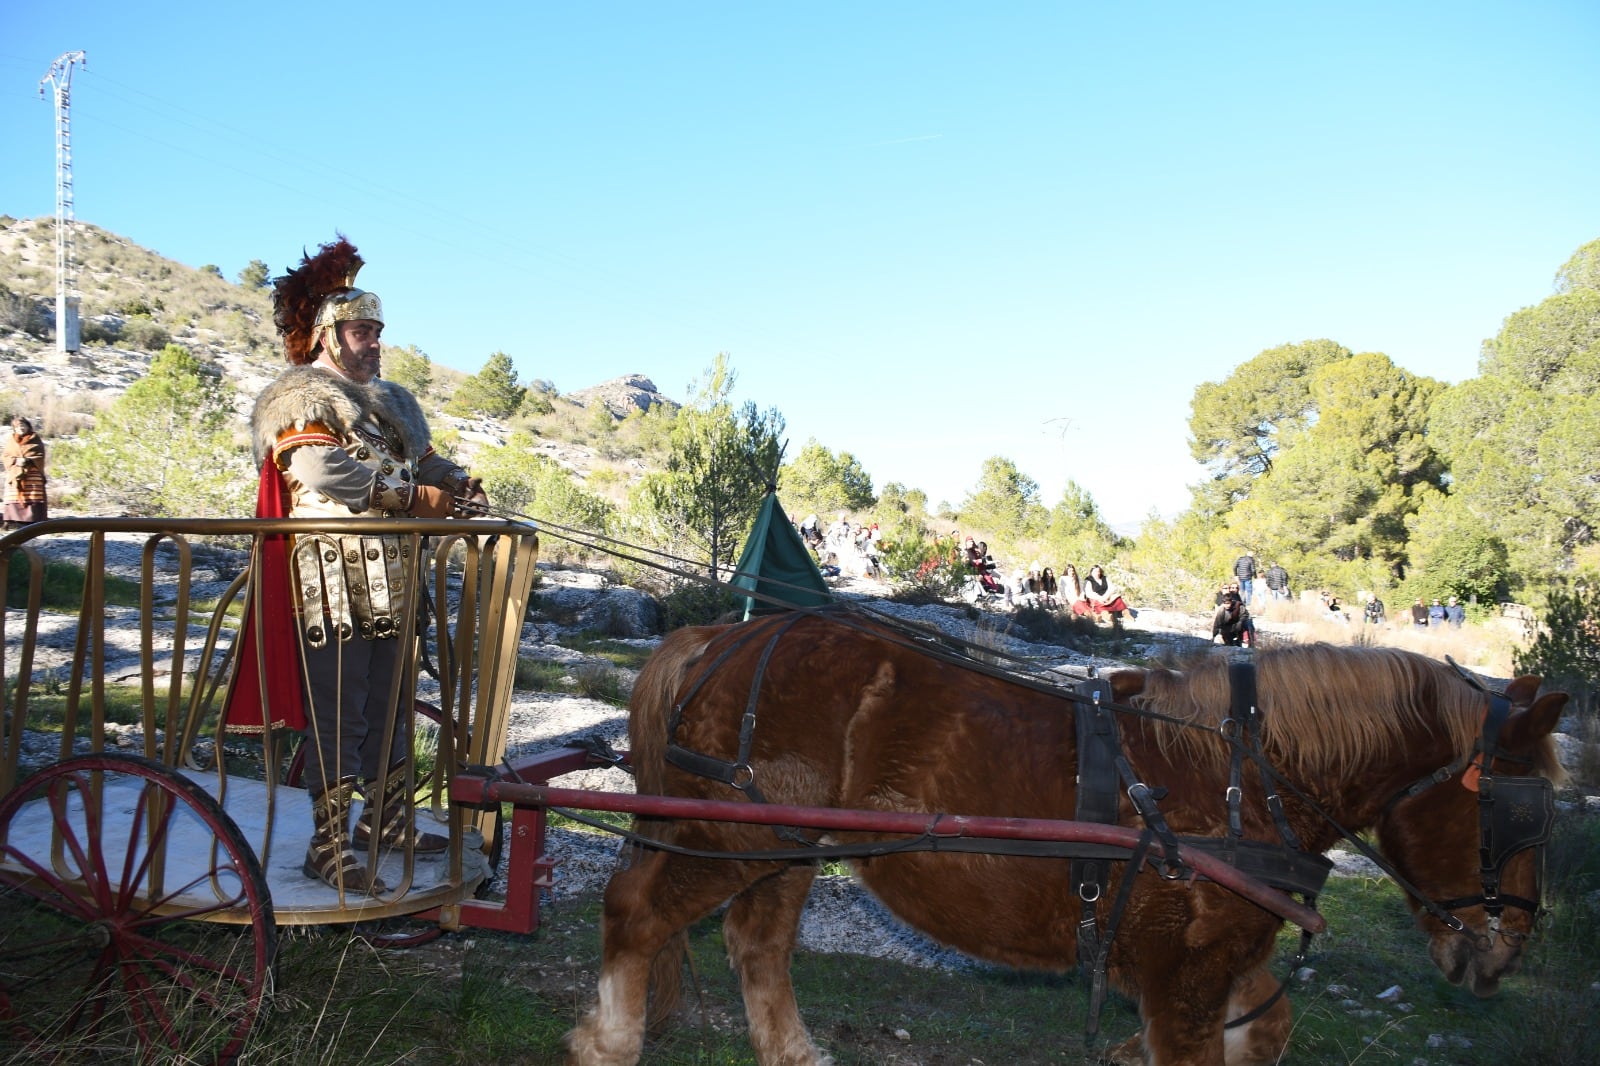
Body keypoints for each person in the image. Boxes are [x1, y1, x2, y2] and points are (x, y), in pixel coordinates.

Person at [227, 237, 489, 895]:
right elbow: (319, 467)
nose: (374, 342)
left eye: (376, 330)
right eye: (361, 331)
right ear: (327, 337)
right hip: (330, 581)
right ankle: (327, 846)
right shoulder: (301, 397)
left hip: (395, 582)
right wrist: (404, 498)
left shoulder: (391, 403)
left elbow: (424, 460)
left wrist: (454, 482)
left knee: (393, 707)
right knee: (341, 715)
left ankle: (386, 823)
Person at [2, 418, 48, 528]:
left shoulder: (35, 439)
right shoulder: (11, 441)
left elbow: (40, 456)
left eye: (23, 426)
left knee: (33, 495)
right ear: (14, 429)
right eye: (18, 427)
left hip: (32, 472)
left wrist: (28, 460)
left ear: (28, 427)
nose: (21, 428)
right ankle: (12, 520)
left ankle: (33, 520)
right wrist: (15, 460)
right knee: (12, 495)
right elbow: (5, 456)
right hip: (15, 472)